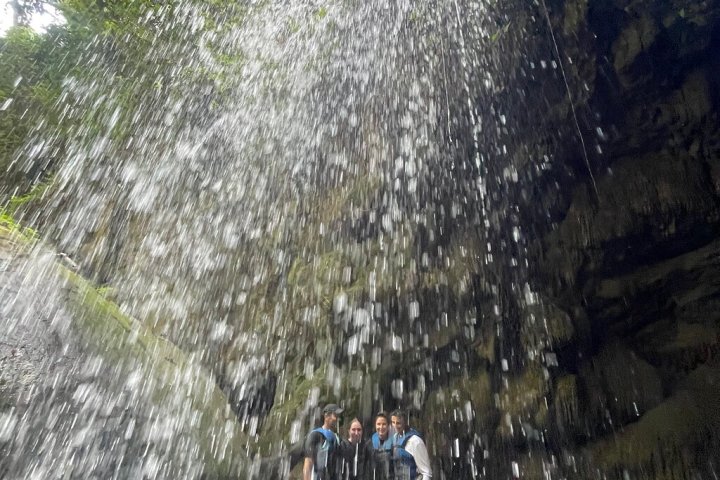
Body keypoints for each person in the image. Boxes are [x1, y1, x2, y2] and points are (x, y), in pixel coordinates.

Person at [304, 404, 344, 480]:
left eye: (338, 416)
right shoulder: (315, 435)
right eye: (335, 415)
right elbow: (308, 464)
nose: (337, 419)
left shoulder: (338, 439)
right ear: (326, 416)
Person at [390, 410, 432, 480]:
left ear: (405, 422)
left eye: (398, 423)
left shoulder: (415, 441)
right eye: (393, 422)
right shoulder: (395, 438)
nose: (395, 426)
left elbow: (426, 472)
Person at [367, 412, 393, 480]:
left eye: (384, 424)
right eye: (378, 424)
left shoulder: (394, 443)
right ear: (375, 425)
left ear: (388, 426)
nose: (381, 427)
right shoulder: (369, 444)